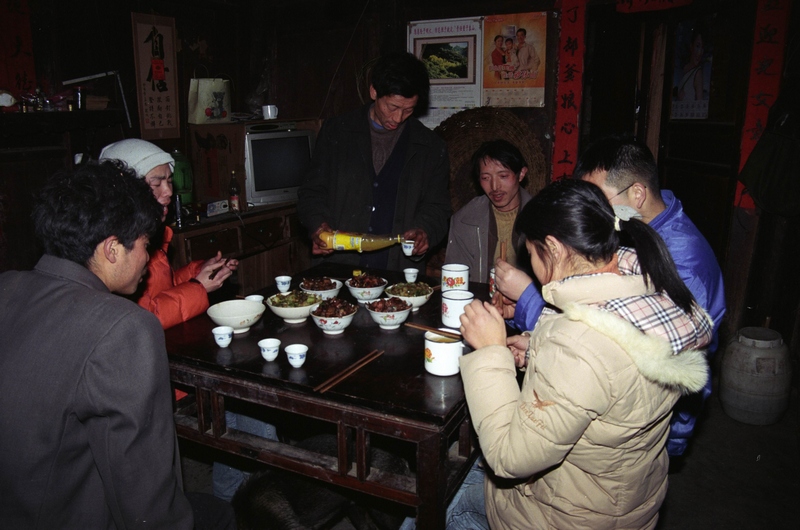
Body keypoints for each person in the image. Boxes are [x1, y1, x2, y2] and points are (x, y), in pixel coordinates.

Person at [452, 178, 714, 529]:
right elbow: (612, 369)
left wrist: (490, 351)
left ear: (554, 248)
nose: (532, 267)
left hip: (559, 517)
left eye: (532, 254)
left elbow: (508, 458)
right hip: (623, 503)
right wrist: (539, 347)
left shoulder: (579, 345)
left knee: (445, 497)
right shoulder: (654, 293)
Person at [496, 135, 725, 456]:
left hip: (653, 426)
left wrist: (528, 299)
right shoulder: (633, 226)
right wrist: (537, 341)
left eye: (598, 199)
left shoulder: (685, 260)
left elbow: (621, 354)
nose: (591, 210)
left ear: (637, 194)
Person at [0, 162, 195, 528]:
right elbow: (145, 495)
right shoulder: (124, 327)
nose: (148, 259)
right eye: (145, 245)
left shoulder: (7, 286)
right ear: (112, 249)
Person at [297, 51, 451, 272]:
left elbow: (438, 206)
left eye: (408, 110)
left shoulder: (430, 147)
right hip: (339, 267)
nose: (398, 118)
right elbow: (312, 191)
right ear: (374, 91)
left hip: (397, 272)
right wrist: (317, 225)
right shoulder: (337, 132)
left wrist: (424, 230)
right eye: (393, 107)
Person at [100, 138, 238, 330]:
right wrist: (198, 287)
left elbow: (164, 288)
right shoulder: (118, 248)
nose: (168, 192)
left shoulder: (151, 236)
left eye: (169, 181)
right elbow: (144, 318)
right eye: (156, 183)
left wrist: (199, 271)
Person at [444, 140, 532, 283]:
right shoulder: (465, 220)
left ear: (521, 174)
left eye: (503, 176)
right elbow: (455, 278)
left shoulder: (543, 219)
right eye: (485, 178)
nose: (495, 186)